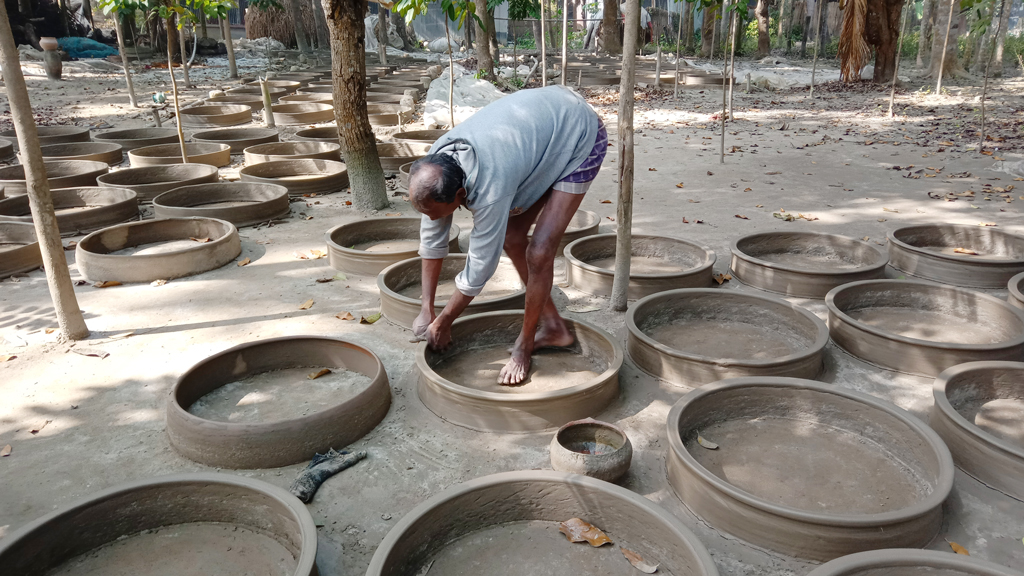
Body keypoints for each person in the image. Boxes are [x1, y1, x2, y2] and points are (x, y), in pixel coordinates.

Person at [408, 86, 608, 386]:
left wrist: (445, 321)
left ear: (461, 195)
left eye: (439, 212)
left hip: (579, 135)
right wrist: (427, 309)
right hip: (541, 135)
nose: (435, 219)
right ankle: (555, 327)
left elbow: (480, 268)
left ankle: (524, 346)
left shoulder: (490, 188)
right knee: (513, 237)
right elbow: (433, 237)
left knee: (540, 252)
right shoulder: (437, 163)